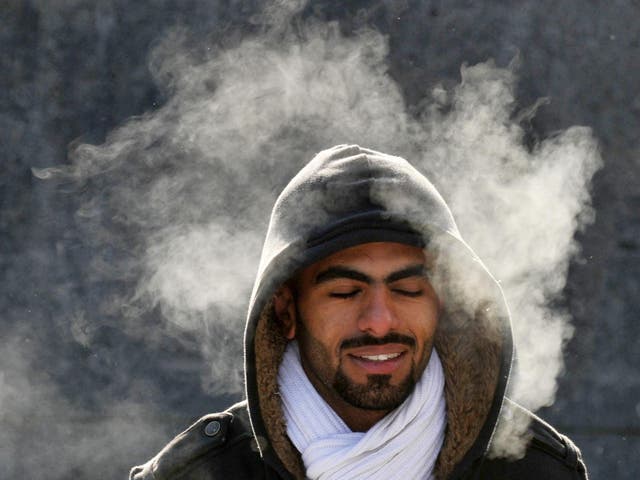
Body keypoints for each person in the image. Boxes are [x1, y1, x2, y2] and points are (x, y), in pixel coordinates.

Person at [130, 145, 588, 479]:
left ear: (447, 304)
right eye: (346, 292)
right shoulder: (207, 475)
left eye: (408, 289)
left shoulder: (534, 471)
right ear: (285, 310)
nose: (380, 321)